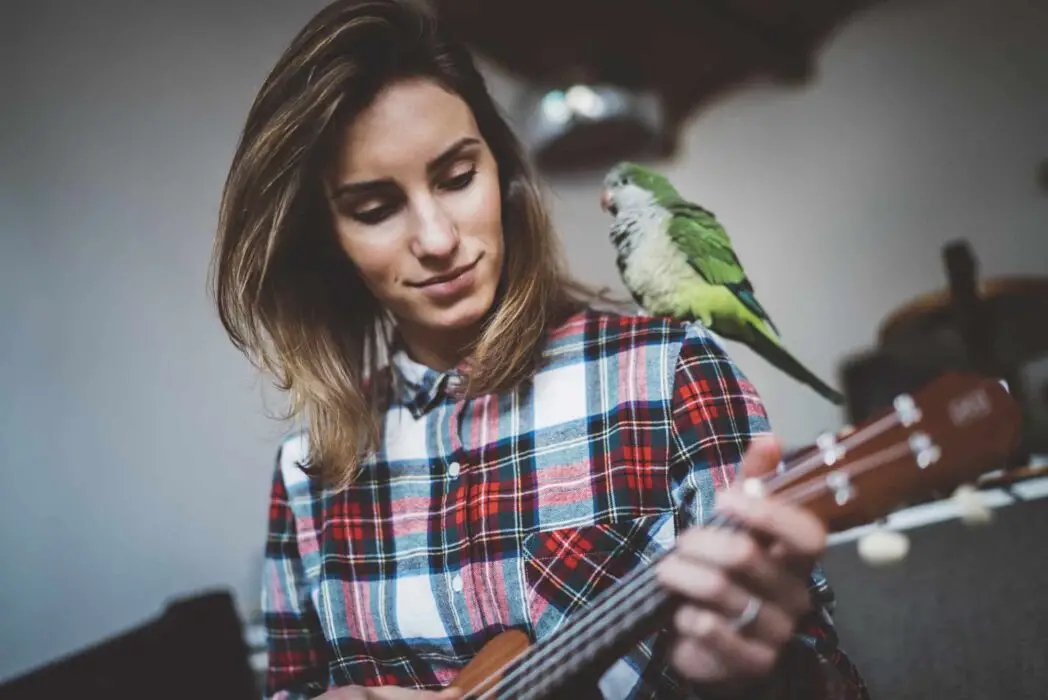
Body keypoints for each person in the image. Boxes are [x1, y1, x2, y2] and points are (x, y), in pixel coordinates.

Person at [210, 1, 871, 698]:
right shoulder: (306, 476)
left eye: (458, 177)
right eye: (375, 209)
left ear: (504, 176)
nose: (436, 239)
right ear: (328, 243)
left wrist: (762, 677)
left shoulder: (671, 374)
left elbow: (835, 682)